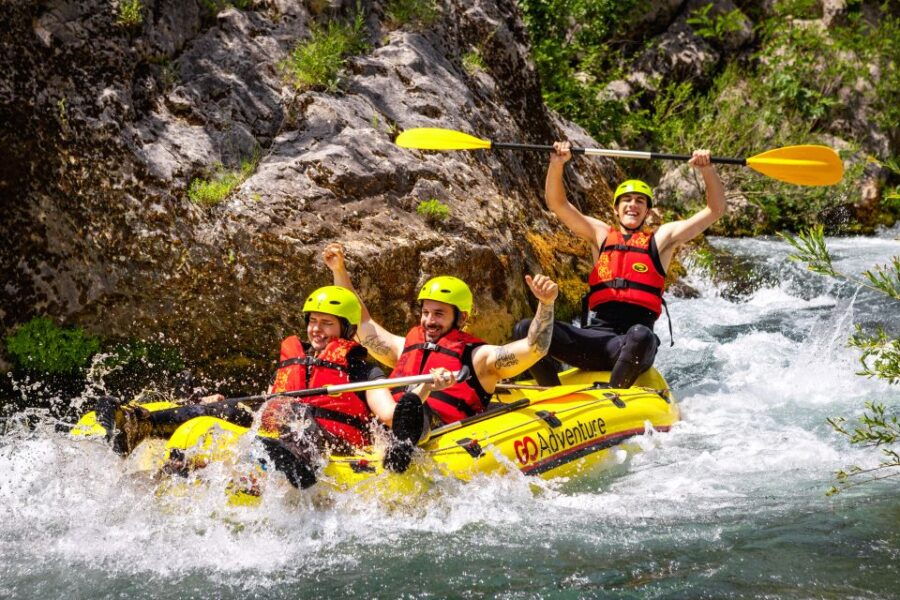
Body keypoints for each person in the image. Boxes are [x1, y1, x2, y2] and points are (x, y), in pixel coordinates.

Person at [94, 285, 455, 488]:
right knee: (233, 407)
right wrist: (220, 404)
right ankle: (139, 426)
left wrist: (417, 398)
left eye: (326, 324)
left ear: (345, 330)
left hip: (331, 442)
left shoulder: (363, 369)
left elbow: (387, 413)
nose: (316, 330)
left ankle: (297, 463)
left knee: (296, 413)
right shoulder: (296, 357)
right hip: (277, 432)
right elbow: (270, 401)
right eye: (312, 322)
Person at [323, 243, 559, 471]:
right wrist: (339, 270)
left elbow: (534, 347)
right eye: (425, 313)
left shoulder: (479, 358)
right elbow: (362, 322)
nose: (429, 321)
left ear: (461, 317)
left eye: (439, 314)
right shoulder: (404, 347)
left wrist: (546, 304)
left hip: (434, 428)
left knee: (415, 409)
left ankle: (404, 439)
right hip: (383, 424)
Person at [513, 141, 726, 388]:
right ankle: (551, 391)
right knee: (527, 328)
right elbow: (557, 204)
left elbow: (715, 209)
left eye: (639, 201)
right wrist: (557, 163)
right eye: (626, 200)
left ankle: (616, 395)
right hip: (594, 341)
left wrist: (707, 169)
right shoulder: (600, 235)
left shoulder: (661, 240)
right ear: (616, 208)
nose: (632, 205)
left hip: (632, 344)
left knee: (641, 335)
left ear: (647, 211)